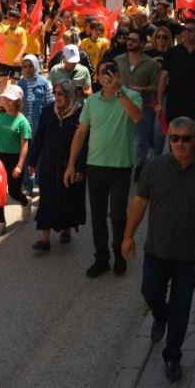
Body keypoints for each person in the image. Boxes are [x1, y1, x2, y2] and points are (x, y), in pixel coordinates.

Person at [121, 117, 195, 384]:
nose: (180, 143)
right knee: (150, 292)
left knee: (181, 308)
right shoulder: (154, 168)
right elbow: (139, 203)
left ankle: (172, 356)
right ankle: (160, 316)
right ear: (168, 139)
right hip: (157, 250)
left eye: (186, 138)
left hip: (190, 255)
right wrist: (128, 237)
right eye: (174, 138)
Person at [65, 60, 142, 278]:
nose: (108, 76)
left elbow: (137, 117)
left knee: (118, 215)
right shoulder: (92, 102)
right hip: (95, 166)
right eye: (103, 73)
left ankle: (120, 254)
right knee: (97, 216)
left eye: (112, 72)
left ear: (118, 74)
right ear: (97, 78)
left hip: (120, 167)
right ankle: (101, 258)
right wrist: (71, 164)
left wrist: (119, 92)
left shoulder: (131, 95)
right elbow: (81, 133)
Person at [26, 80, 87, 250]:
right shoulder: (48, 110)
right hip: (48, 163)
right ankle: (44, 239)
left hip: (69, 165)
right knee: (46, 198)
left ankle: (66, 229)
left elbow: (85, 143)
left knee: (67, 197)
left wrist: (80, 167)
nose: (57, 97)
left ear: (69, 94)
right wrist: (32, 159)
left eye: (61, 94)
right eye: (55, 93)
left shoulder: (80, 112)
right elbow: (39, 137)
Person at [155, 18, 195, 141]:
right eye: (184, 30)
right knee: (175, 139)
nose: (186, 33)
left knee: (193, 140)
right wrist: (160, 103)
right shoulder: (172, 52)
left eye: (190, 30)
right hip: (175, 104)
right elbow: (163, 78)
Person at [115, 30, 161, 180]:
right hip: (120, 108)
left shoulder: (152, 64)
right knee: (120, 138)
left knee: (141, 141)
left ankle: (139, 167)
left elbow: (157, 86)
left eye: (134, 40)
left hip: (143, 108)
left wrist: (144, 90)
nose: (129, 42)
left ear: (142, 44)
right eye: (128, 39)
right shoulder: (118, 60)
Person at [0, 84, 32, 237]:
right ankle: (0, 221)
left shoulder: (22, 122)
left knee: (14, 192)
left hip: (14, 159)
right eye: (5, 98)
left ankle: (25, 201)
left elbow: (24, 146)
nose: (7, 102)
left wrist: (20, 166)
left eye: (11, 100)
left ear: (18, 102)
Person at [0, 9, 27, 94]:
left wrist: (19, 57)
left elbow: (24, 45)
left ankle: (13, 102)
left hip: (16, 63)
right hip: (4, 61)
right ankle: (2, 103)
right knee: (2, 81)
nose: (12, 22)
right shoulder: (4, 29)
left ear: (18, 21)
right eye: (10, 19)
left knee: (14, 84)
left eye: (14, 20)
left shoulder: (21, 31)